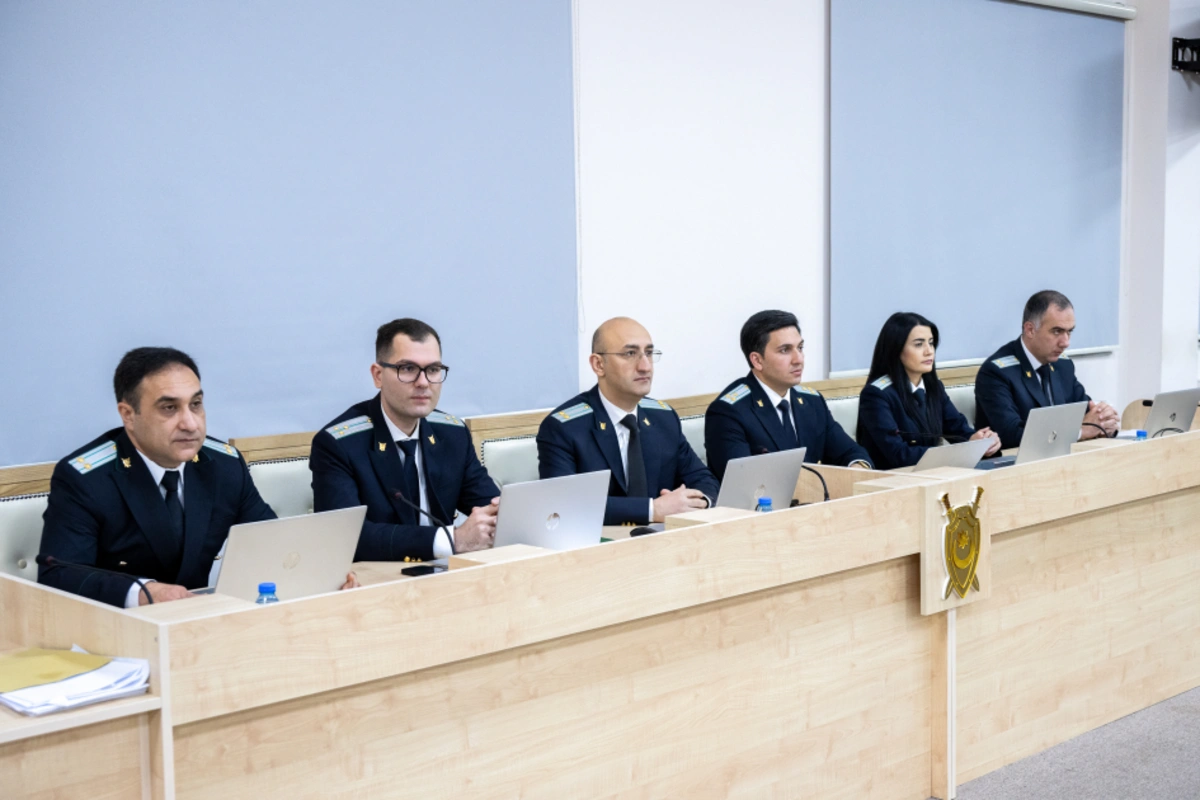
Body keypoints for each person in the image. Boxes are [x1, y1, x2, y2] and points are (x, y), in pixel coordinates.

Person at [38, 348, 290, 608]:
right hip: (123, 623)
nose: (190, 424)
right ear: (128, 415)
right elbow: (58, 576)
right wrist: (144, 593)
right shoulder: (87, 479)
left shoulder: (223, 465)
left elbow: (270, 539)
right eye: (169, 408)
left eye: (195, 404)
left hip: (201, 617)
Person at [310, 318, 500, 562]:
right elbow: (345, 537)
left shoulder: (453, 434)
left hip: (448, 574)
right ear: (378, 375)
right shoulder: (338, 445)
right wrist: (453, 540)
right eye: (408, 369)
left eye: (433, 369)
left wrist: (500, 516)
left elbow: (491, 507)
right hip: (379, 578)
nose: (423, 382)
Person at [537, 317, 719, 525]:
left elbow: (704, 479)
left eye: (648, 353)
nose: (645, 366)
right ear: (598, 364)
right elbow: (564, 504)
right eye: (630, 354)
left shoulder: (663, 418)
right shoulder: (564, 428)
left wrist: (695, 502)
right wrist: (653, 510)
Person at [705, 310, 873, 480]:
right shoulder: (728, 412)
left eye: (800, 348)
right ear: (757, 360)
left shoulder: (812, 401)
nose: (798, 359)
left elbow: (850, 452)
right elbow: (742, 482)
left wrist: (857, 468)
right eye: (785, 350)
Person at [856, 312, 1002, 470]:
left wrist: (982, 442)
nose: (929, 351)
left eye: (931, 343)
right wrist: (956, 452)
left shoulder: (934, 387)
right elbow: (899, 454)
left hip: (932, 474)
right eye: (919, 344)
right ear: (896, 349)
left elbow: (959, 429)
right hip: (894, 479)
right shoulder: (876, 395)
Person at [975, 290, 1119, 448]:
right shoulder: (996, 373)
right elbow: (1011, 435)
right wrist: (1080, 432)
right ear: (1030, 330)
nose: (1066, 343)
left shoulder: (1063, 365)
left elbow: (1086, 413)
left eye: (1069, 332)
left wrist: (1104, 421)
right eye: (1057, 331)